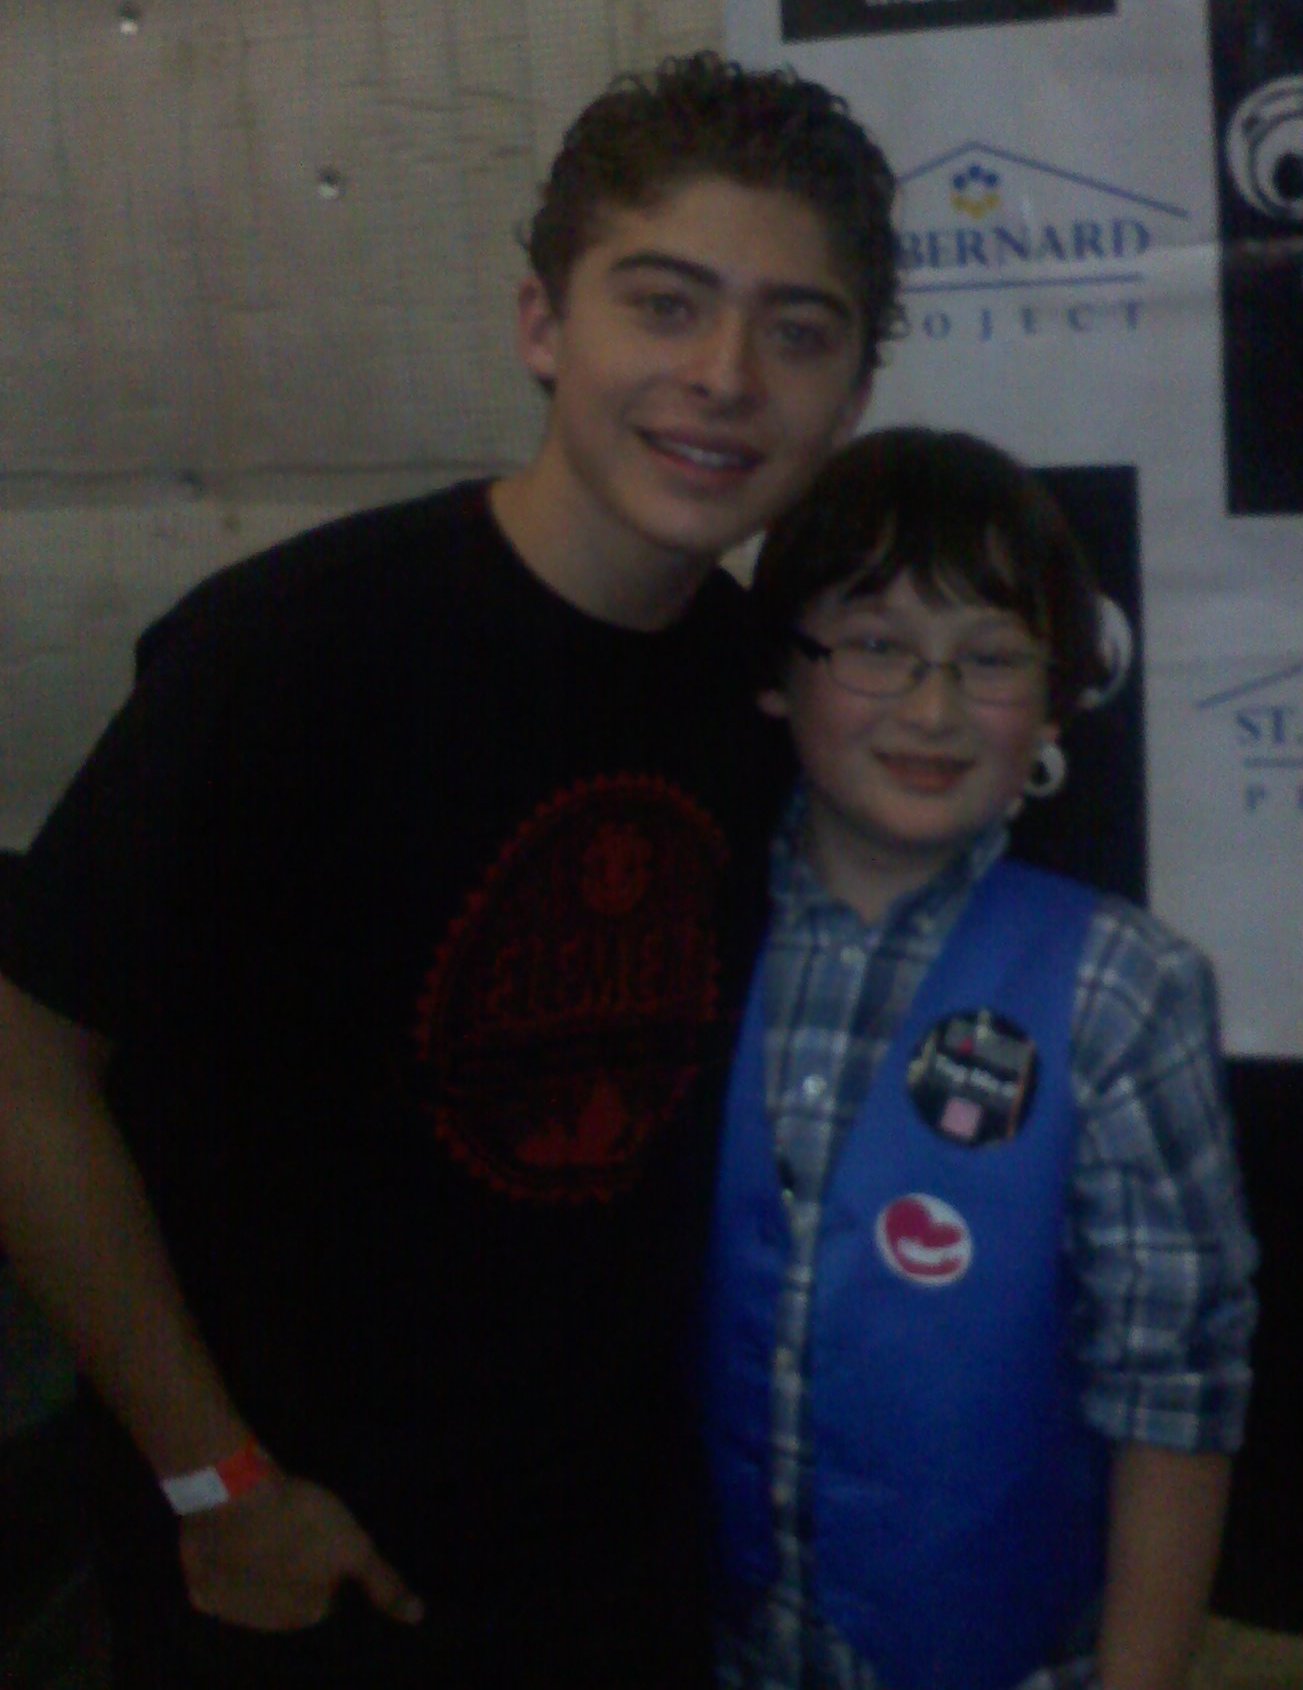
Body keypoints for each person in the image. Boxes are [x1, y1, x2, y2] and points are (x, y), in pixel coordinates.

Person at [0, 52, 898, 1690]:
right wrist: (220, 1481)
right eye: (663, 301)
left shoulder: (768, 700)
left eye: (796, 329)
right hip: (291, 1568)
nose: (721, 376)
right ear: (541, 326)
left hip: (613, 1564)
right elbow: (22, 1077)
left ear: (847, 399)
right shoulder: (290, 652)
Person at [702, 428, 1258, 1690]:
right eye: (876, 644)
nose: (935, 707)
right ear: (780, 673)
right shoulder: (689, 935)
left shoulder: (1121, 987)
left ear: (1058, 699)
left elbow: (1173, 1388)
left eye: (991, 657)